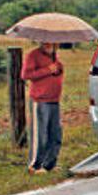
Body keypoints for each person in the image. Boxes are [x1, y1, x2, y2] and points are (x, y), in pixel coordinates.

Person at [21, 42, 64, 174]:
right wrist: (48, 70)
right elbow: (26, 75)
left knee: (55, 134)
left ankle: (49, 164)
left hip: (54, 100)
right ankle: (35, 166)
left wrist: (58, 68)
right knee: (41, 135)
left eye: (53, 42)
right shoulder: (33, 55)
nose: (50, 44)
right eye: (46, 42)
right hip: (40, 101)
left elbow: (56, 72)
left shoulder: (54, 56)